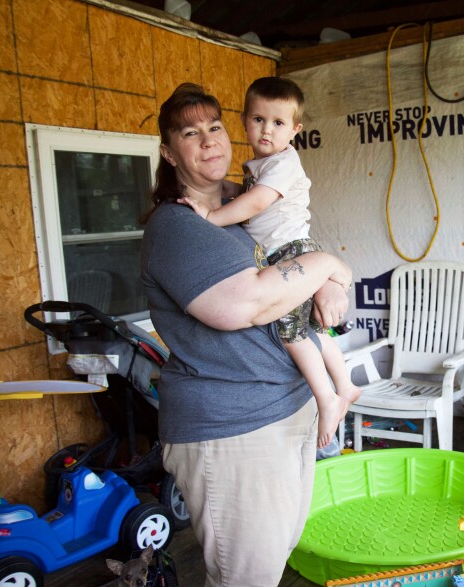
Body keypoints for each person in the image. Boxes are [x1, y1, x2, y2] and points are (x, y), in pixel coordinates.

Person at [140, 82, 352, 586]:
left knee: (273, 558)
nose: (209, 140)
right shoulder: (178, 225)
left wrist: (331, 280)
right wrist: (324, 266)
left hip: (285, 409)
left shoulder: (245, 210)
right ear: (169, 153)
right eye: (191, 133)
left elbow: (301, 274)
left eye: (214, 127)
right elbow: (246, 304)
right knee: (246, 578)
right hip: (232, 426)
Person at [179, 76, 360, 449]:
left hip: (289, 253)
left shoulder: (282, 163)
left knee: (290, 332)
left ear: (295, 130)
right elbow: (245, 194)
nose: (266, 130)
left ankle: (328, 398)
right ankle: (345, 384)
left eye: (278, 123)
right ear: (244, 121)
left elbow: (258, 203)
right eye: (259, 119)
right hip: (291, 250)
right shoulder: (262, 166)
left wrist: (212, 217)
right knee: (311, 329)